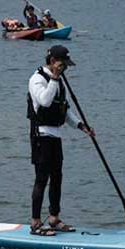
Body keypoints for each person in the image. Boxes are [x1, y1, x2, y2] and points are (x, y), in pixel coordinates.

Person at [27, 45, 94, 236]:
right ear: (53, 61)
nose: (65, 69)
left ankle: (54, 218)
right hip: (41, 136)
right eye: (63, 65)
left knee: (57, 178)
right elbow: (45, 101)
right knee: (42, 179)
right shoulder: (37, 79)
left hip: (56, 137)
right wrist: (55, 78)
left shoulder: (59, 82)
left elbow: (64, 110)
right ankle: (36, 223)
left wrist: (81, 126)